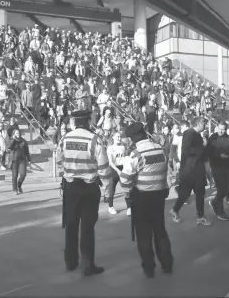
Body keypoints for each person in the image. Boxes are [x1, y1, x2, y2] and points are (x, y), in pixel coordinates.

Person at [57, 110, 110, 277]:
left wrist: (67, 171)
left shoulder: (65, 139)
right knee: (87, 227)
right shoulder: (95, 139)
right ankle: (87, 265)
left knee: (71, 224)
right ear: (88, 122)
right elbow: (103, 168)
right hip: (89, 187)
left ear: (75, 122)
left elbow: (59, 160)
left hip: (71, 187)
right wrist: (107, 189)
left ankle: (71, 262)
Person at [117, 122, 173, 278]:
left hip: (142, 197)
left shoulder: (135, 154)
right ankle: (167, 264)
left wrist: (128, 194)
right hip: (159, 195)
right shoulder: (160, 149)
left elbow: (125, 179)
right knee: (160, 230)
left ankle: (149, 268)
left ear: (133, 137)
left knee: (143, 234)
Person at [170, 117, 211, 226]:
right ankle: (178, 211)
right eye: (204, 124)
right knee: (189, 193)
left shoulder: (196, 134)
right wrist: (203, 146)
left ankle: (199, 216)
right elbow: (187, 150)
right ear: (199, 123)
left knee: (197, 193)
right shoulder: (189, 133)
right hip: (190, 169)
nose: (205, 126)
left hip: (195, 168)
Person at [208, 121, 229, 221]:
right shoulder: (212, 138)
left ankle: (214, 201)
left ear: (226, 129)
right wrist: (218, 156)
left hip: (228, 166)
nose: (221, 131)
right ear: (217, 127)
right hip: (216, 166)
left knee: (227, 189)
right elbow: (208, 153)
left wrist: (228, 156)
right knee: (221, 189)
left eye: (223, 129)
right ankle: (220, 211)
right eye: (220, 128)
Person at [106, 131, 129, 215]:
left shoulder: (123, 146)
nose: (119, 138)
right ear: (113, 137)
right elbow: (111, 162)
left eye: (120, 137)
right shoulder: (110, 148)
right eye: (117, 137)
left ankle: (129, 207)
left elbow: (125, 157)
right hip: (114, 168)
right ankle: (110, 207)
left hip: (123, 167)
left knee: (126, 187)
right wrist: (118, 171)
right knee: (112, 189)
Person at [8, 129, 31, 195]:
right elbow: (9, 148)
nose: (18, 134)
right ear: (13, 134)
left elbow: (27, 151)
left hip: (22, 159)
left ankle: (19, 185)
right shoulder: (11, 140)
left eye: (18, 133)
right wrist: (14, 140)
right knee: (14, 175)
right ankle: (15, 189)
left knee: (23, 174)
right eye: (16, 133)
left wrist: (29, 159)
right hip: (14, 160)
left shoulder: (23, 141)